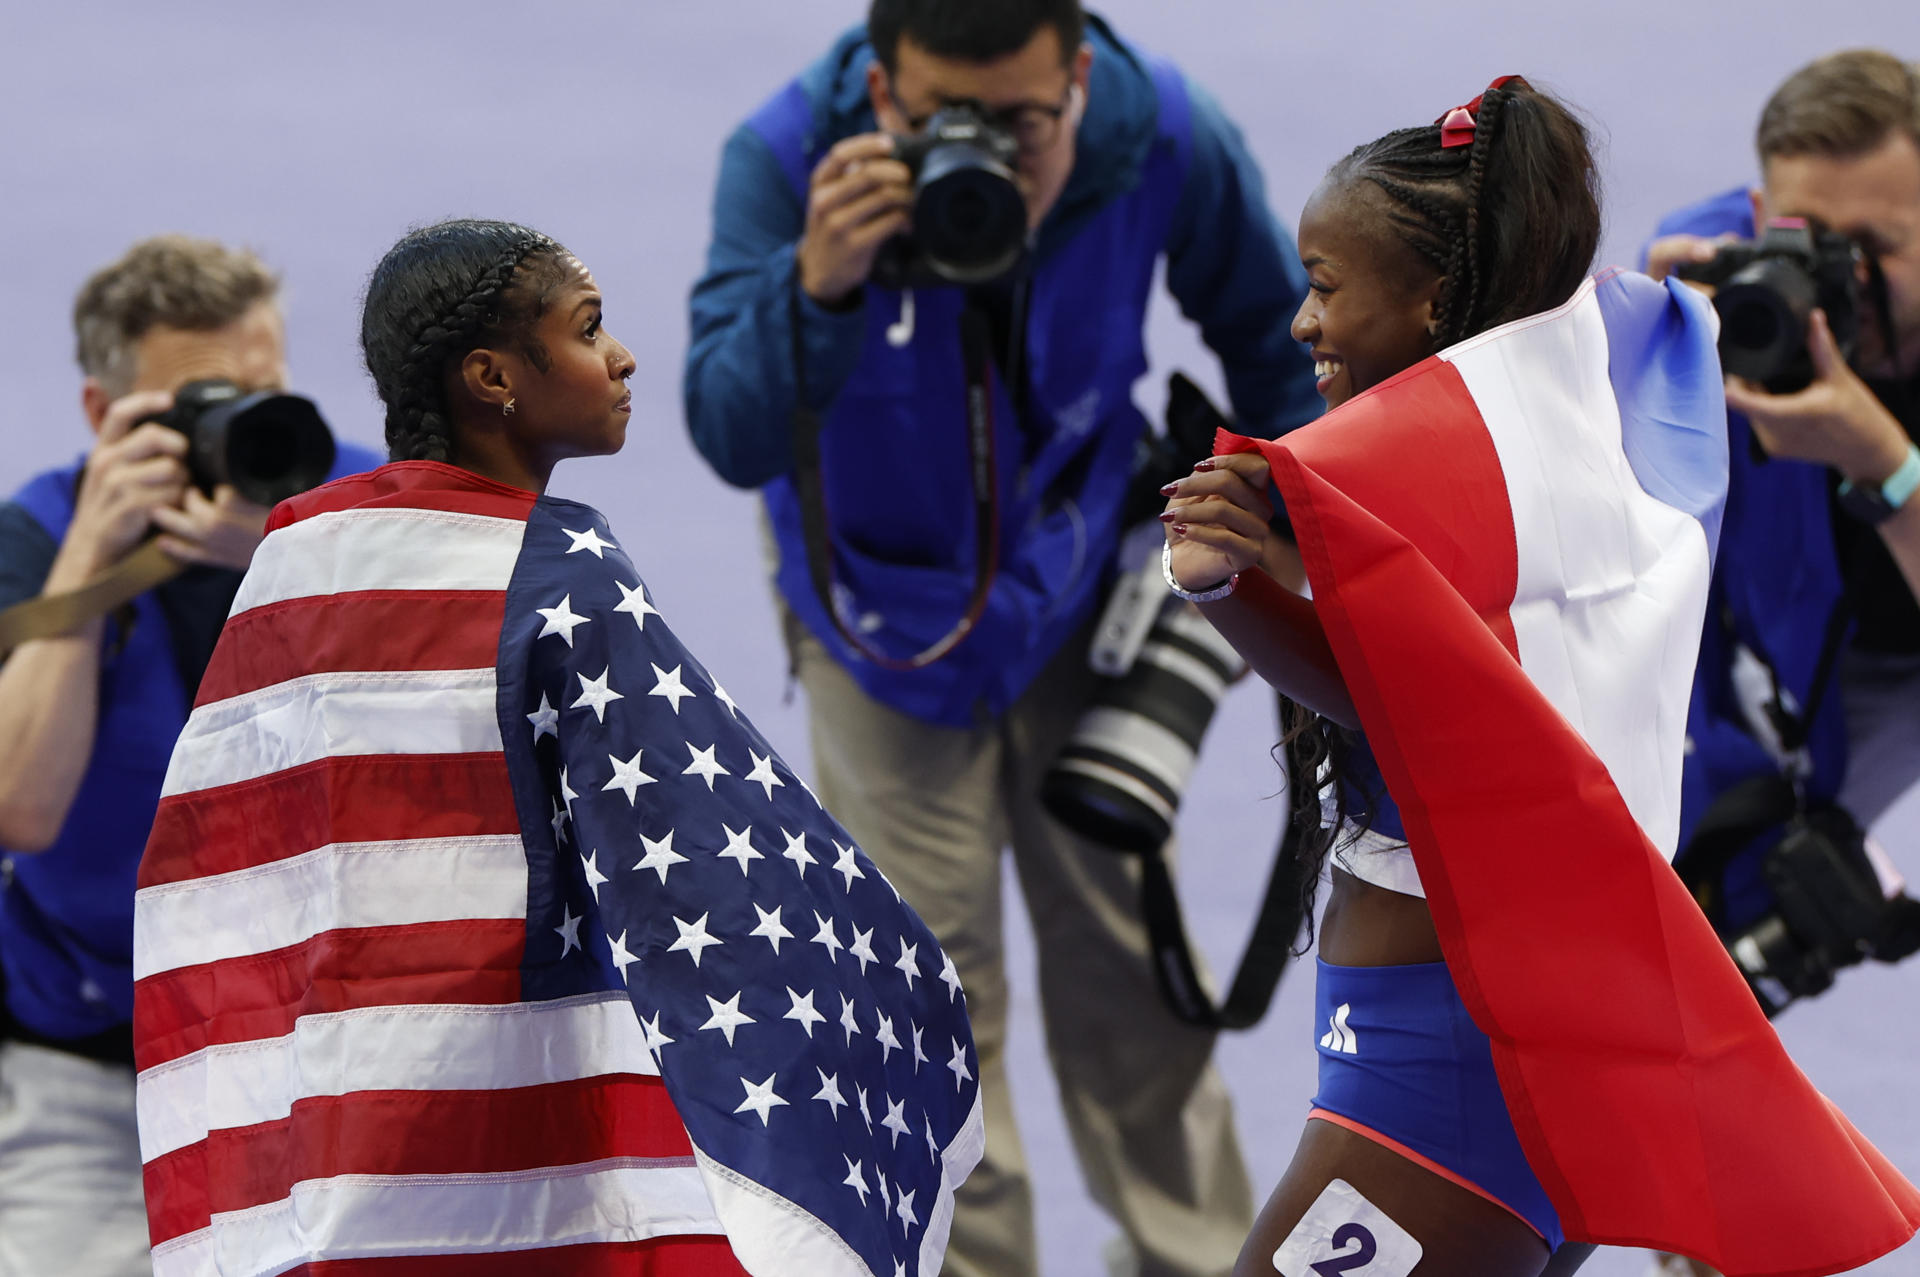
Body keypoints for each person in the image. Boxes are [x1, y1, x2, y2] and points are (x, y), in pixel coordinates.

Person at [1164, 78, 1920, 1277]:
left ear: (1427, 303)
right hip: (1447, 1053)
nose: (1300, 323)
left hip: (1455, 1082)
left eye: (1323, 285)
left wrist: (1232, 589)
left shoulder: (1499, 496)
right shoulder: (1538, 438)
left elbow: (1426, 721)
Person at [132, 219, 980, 1276]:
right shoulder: (558, 563)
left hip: (342, 1115)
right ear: (493, 377)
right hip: (518, 1126)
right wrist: (894, 975)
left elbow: (225, 859)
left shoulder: (294, 565)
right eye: (587, 330)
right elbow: (704, 832)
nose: (620, 356)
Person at [683, 2, 1319, 1272]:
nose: (992, 156)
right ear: (879, 90)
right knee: (930, 1001)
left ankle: (1193, 1259)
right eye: (937, 122)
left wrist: (1307, 546)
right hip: (878, 627)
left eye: (1025, 122)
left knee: (1130, 979)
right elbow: (728, 429)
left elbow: (1282, 342)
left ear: (1080, 78)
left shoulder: (1165, 133)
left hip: (1078, 578)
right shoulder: (787, 155)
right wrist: (815, 287)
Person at [0, 234, 381, 1276]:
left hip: (319, 1041)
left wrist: (284, 567)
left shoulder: (364, 506)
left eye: (263, 392)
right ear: (102, 415)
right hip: (90, 1054)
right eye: (201, 404)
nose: (241, 430)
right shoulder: (39, 538)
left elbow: (454, 754)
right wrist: (93, 561)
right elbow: (17, 806)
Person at [1643, 46, 1920, 978]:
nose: (1840, 283)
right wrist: (1644, 353)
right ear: (1764, 220)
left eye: (1876, 249)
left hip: (1903, 650)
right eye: (1809, 240)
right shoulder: (1716, 273)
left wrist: (1881, 463)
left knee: (1776, 924)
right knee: (1684, 927)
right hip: (1776, 624)